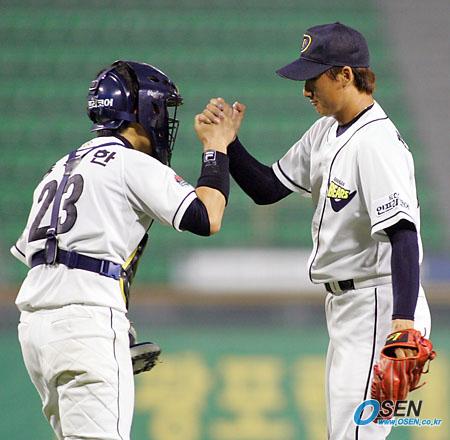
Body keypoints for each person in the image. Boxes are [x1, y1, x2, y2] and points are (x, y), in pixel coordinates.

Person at [200, 23, 432, 439]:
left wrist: (403, 324)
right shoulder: (327, 130)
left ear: (345, 74)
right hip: (348, 307)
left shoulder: (376, 143)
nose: (306, 90)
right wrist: (229, 144)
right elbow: (268, 188)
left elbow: (403, 235)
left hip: (378, 304)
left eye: (314, 78)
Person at [11, 60, 237, 440]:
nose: (164, 120)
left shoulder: (59, 167)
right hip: (86, 324)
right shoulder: (129, 162)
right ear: (142, 111)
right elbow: (206, 216)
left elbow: (42, 258)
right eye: (161, 109)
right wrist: (216, 147)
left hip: (35, 331)